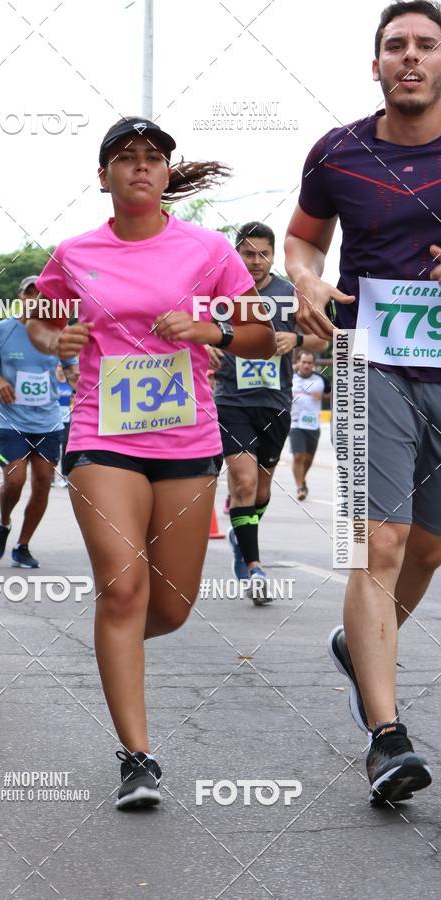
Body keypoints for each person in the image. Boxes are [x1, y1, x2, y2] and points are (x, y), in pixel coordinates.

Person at [27, 116, 275, 809]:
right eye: (126, 156)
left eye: (153, 156)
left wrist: (210, 329)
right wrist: (52, 339)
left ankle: (118, 640)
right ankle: (138, 757)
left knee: (169, 607)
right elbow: (37, 312)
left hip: (186, 442)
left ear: (167, 173)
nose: (140, 165)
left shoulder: (206, 251)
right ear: (103, 175)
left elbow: (260, 333)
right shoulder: (75, 253)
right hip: (101, 436)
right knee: (123, 590)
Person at [285, 0, 441, 804]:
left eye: (426, 45)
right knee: (379, 542)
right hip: (371, 359)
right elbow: (304, 237)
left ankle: (359, 643)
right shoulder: (339, 152)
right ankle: (387, 738)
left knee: (427, 550)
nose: (410, 57)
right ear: (376, 64)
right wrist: (306, 279)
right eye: (396, 45)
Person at [212, 222, 327, 602]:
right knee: (243, 482)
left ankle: (240, 535)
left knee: (261, 491)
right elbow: (195, 327)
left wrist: (296, 338)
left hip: (275, 403)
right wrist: (206, 346)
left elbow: (322, 338)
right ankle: (253, 567)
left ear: (274, 256)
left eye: (263, 254)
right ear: (237, 254)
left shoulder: (289, 293)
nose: (256, 261)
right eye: (248, 253)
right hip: (232, 400)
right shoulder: (220, 291)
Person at [0, 276, 78, 568]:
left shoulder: (59, 331)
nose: (35, 298)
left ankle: (22, 545)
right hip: (11, 420)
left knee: (43, 483)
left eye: (41, 294)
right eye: (29, 293)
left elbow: (71, 368)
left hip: (48, 420)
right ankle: (4, 522)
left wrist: (77, 381)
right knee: (15, 480)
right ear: (20, 296)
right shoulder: (3, 329)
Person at [290, 350, 331, 500]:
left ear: (313, 364)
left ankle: (302, 479)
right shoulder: (290, 377)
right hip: (295, 424)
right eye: (304, 362)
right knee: (298, 456)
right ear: (298, 362)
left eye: (309, 363)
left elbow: (332, 394)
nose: (306, 366)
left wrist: (324, 396)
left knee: (308, 459)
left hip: (313, 424)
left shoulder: (320, 379)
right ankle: (300, 487)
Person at [54, 363, 73, 486]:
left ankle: (64, 476)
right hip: (53, 420)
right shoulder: (53, 382)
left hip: (66, 419)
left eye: (62, 367)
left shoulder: (69, 383)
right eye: (58, 366)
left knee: (65, 447)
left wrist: (72, 405)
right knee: (53, 447)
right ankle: (50, 476)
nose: (60, 369)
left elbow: (74, 398)